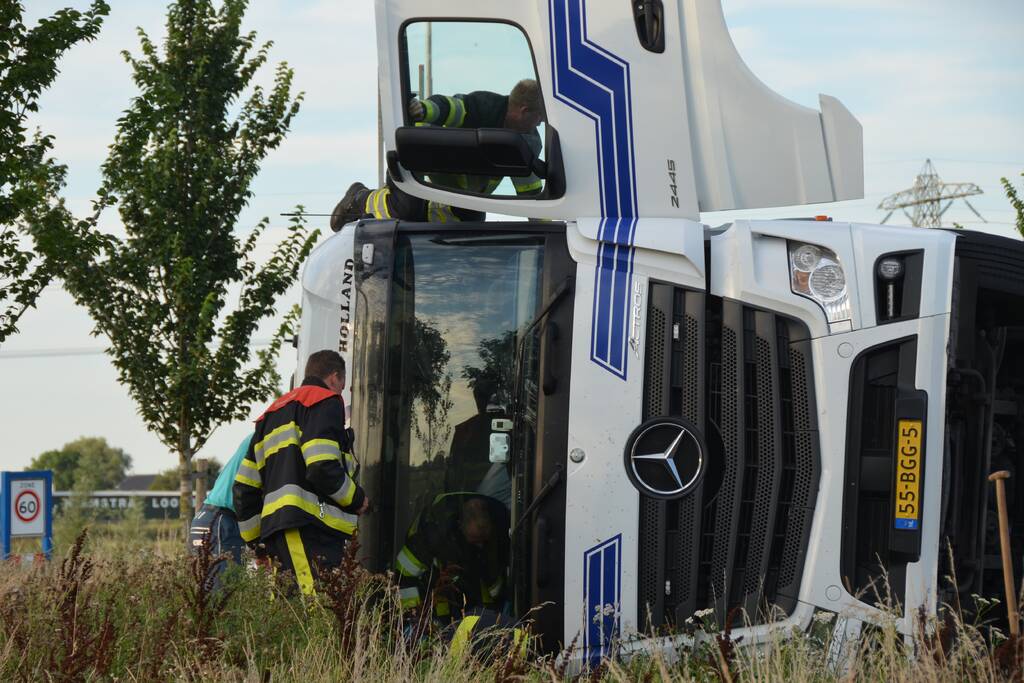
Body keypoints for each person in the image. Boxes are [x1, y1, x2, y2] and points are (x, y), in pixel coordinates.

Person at [233, 349, 370, 595]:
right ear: (334, 377)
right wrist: (359, 500)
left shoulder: (270, 414)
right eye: (342, 386)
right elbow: (322, 466)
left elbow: (245, 488)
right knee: (317, 615)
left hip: (281, 535)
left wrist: (258, 545)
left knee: (290, 617)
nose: (341, 393)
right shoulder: (325, 401)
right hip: (309, 530)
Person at [330, 78, 545, 229]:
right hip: (419, 159)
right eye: (540, 117)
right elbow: (451, 107)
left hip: (461, 194)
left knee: (470, 225)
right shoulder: (484, 106)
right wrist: (422, 109)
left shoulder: (528, 143)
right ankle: (359, 198)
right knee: (406, 210)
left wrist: (553, 237)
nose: (541, 123)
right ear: (524, 111)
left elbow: (532, 196)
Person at [395, 492, 510, 620]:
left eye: (483, 540)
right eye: (477, 540)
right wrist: (413, 616)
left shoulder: (486, 545)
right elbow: (404, 576)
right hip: (430, 612)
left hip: (469, 613)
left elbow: (494, 592)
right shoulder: (431, 537)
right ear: (461, 525)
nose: (480, 545)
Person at [188, 432, 253, 567]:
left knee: (217, 584)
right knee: (225, 584)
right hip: (220, 522)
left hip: (214, 519)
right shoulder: (265, 438)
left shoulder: (260, 435)